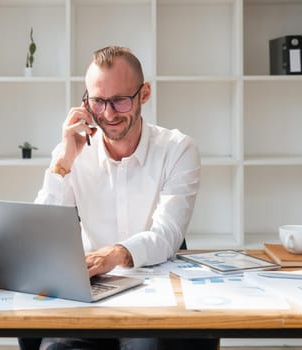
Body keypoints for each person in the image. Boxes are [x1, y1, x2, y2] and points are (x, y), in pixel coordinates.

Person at [20, 46, 217, 350]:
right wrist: (64, 161)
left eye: (120, 101)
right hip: (91, 296)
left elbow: (167, 235)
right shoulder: (72, 152)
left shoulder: (178, 149)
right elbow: (39, 235)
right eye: (98, 101)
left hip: (154, 291)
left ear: (145, 94)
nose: (108, 114)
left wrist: (114, 255)